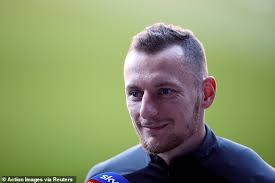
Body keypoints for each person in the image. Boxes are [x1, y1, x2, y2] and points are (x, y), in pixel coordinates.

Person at [85, 23, 275, 183]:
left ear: (206, 93)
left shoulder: (256, 178)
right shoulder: (104, 176)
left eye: (165, 92)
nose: (146, 111)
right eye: (135, 93)